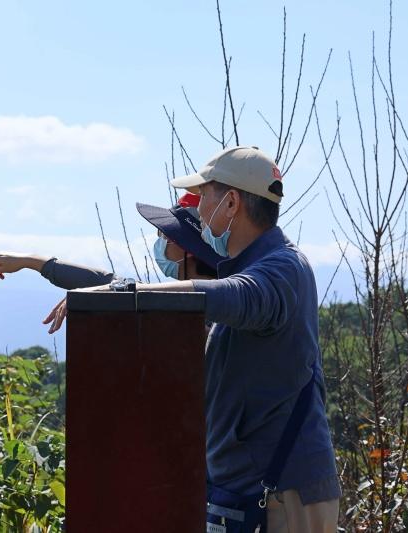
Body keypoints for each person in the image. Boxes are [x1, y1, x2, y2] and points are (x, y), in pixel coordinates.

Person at [57, 146, 340, 532]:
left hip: (284, 495)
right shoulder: (255, 266)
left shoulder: (282, 268)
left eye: (204, 195)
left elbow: (233, 296)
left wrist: (128, 295)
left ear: (231, 203)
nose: (199, 209)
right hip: (251, 489)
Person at [0, 193, 221, 332]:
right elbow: (112, 283)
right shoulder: (196, 303)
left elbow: (122, 289)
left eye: (166, 235)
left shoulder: (217, 317)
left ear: (191, 251)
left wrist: (108, 291)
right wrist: (31, 261)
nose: (160, 241)